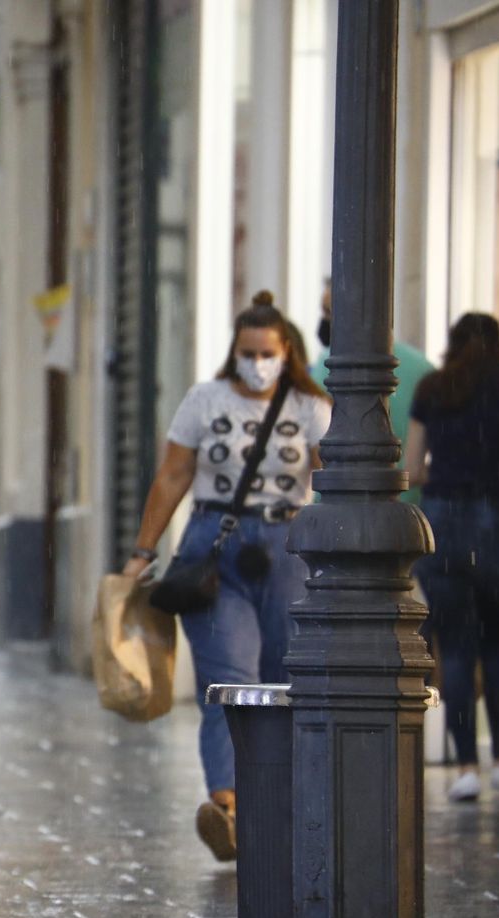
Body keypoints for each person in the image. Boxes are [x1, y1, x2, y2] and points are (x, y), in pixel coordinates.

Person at [122, 291, 331, 863]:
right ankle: (228, 808)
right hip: (214, 549)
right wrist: (142, 552)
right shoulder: (204, 399)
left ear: (287, 352)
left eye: (266, 352)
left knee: (284, 679)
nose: (256, 362)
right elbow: (172, 476)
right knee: (228, 682)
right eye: (247, 351)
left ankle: (279, 802)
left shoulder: (311, 407)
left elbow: (333, 479)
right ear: (233, 352)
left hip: (290, 546)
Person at [404, 312, 499, 801]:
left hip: (442, 525)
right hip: (497, 524)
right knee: (498, 642)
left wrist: (443, 474)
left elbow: (412, 466)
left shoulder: (432, 387)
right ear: (497, 342)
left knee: (456, 645)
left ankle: (465, 766)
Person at [310, 278, 433, 504]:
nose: (325, 321)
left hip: (338, 501)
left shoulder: (326, 364)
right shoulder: (423, 367)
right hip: (405, 501)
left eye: (329, 312)